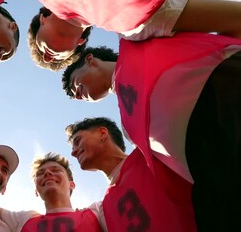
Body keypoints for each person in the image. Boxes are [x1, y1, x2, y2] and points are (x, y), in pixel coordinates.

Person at [62, 33, 241, 230]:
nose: (77, 95)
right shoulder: (130, 127)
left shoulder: (137, 41)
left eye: (74, 84)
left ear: (89, 60)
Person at [25, 0, 241, 71]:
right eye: (57, 60)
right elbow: (235, 19)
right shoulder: (134, 26)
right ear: (80, 42)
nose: (47, 56)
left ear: (43, 18)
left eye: (38, 47)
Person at [66, 117, 196, 231]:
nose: (73, 152)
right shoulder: (102, 212)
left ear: (102, 133)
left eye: (77, 141)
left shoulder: (153, 153)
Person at [0, 152, 102, 232]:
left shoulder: (96, 213)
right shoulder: (23, 220)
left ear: (72, 185)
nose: (47, 173)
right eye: (40, 173)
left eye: (56, 170)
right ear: (36, 191)